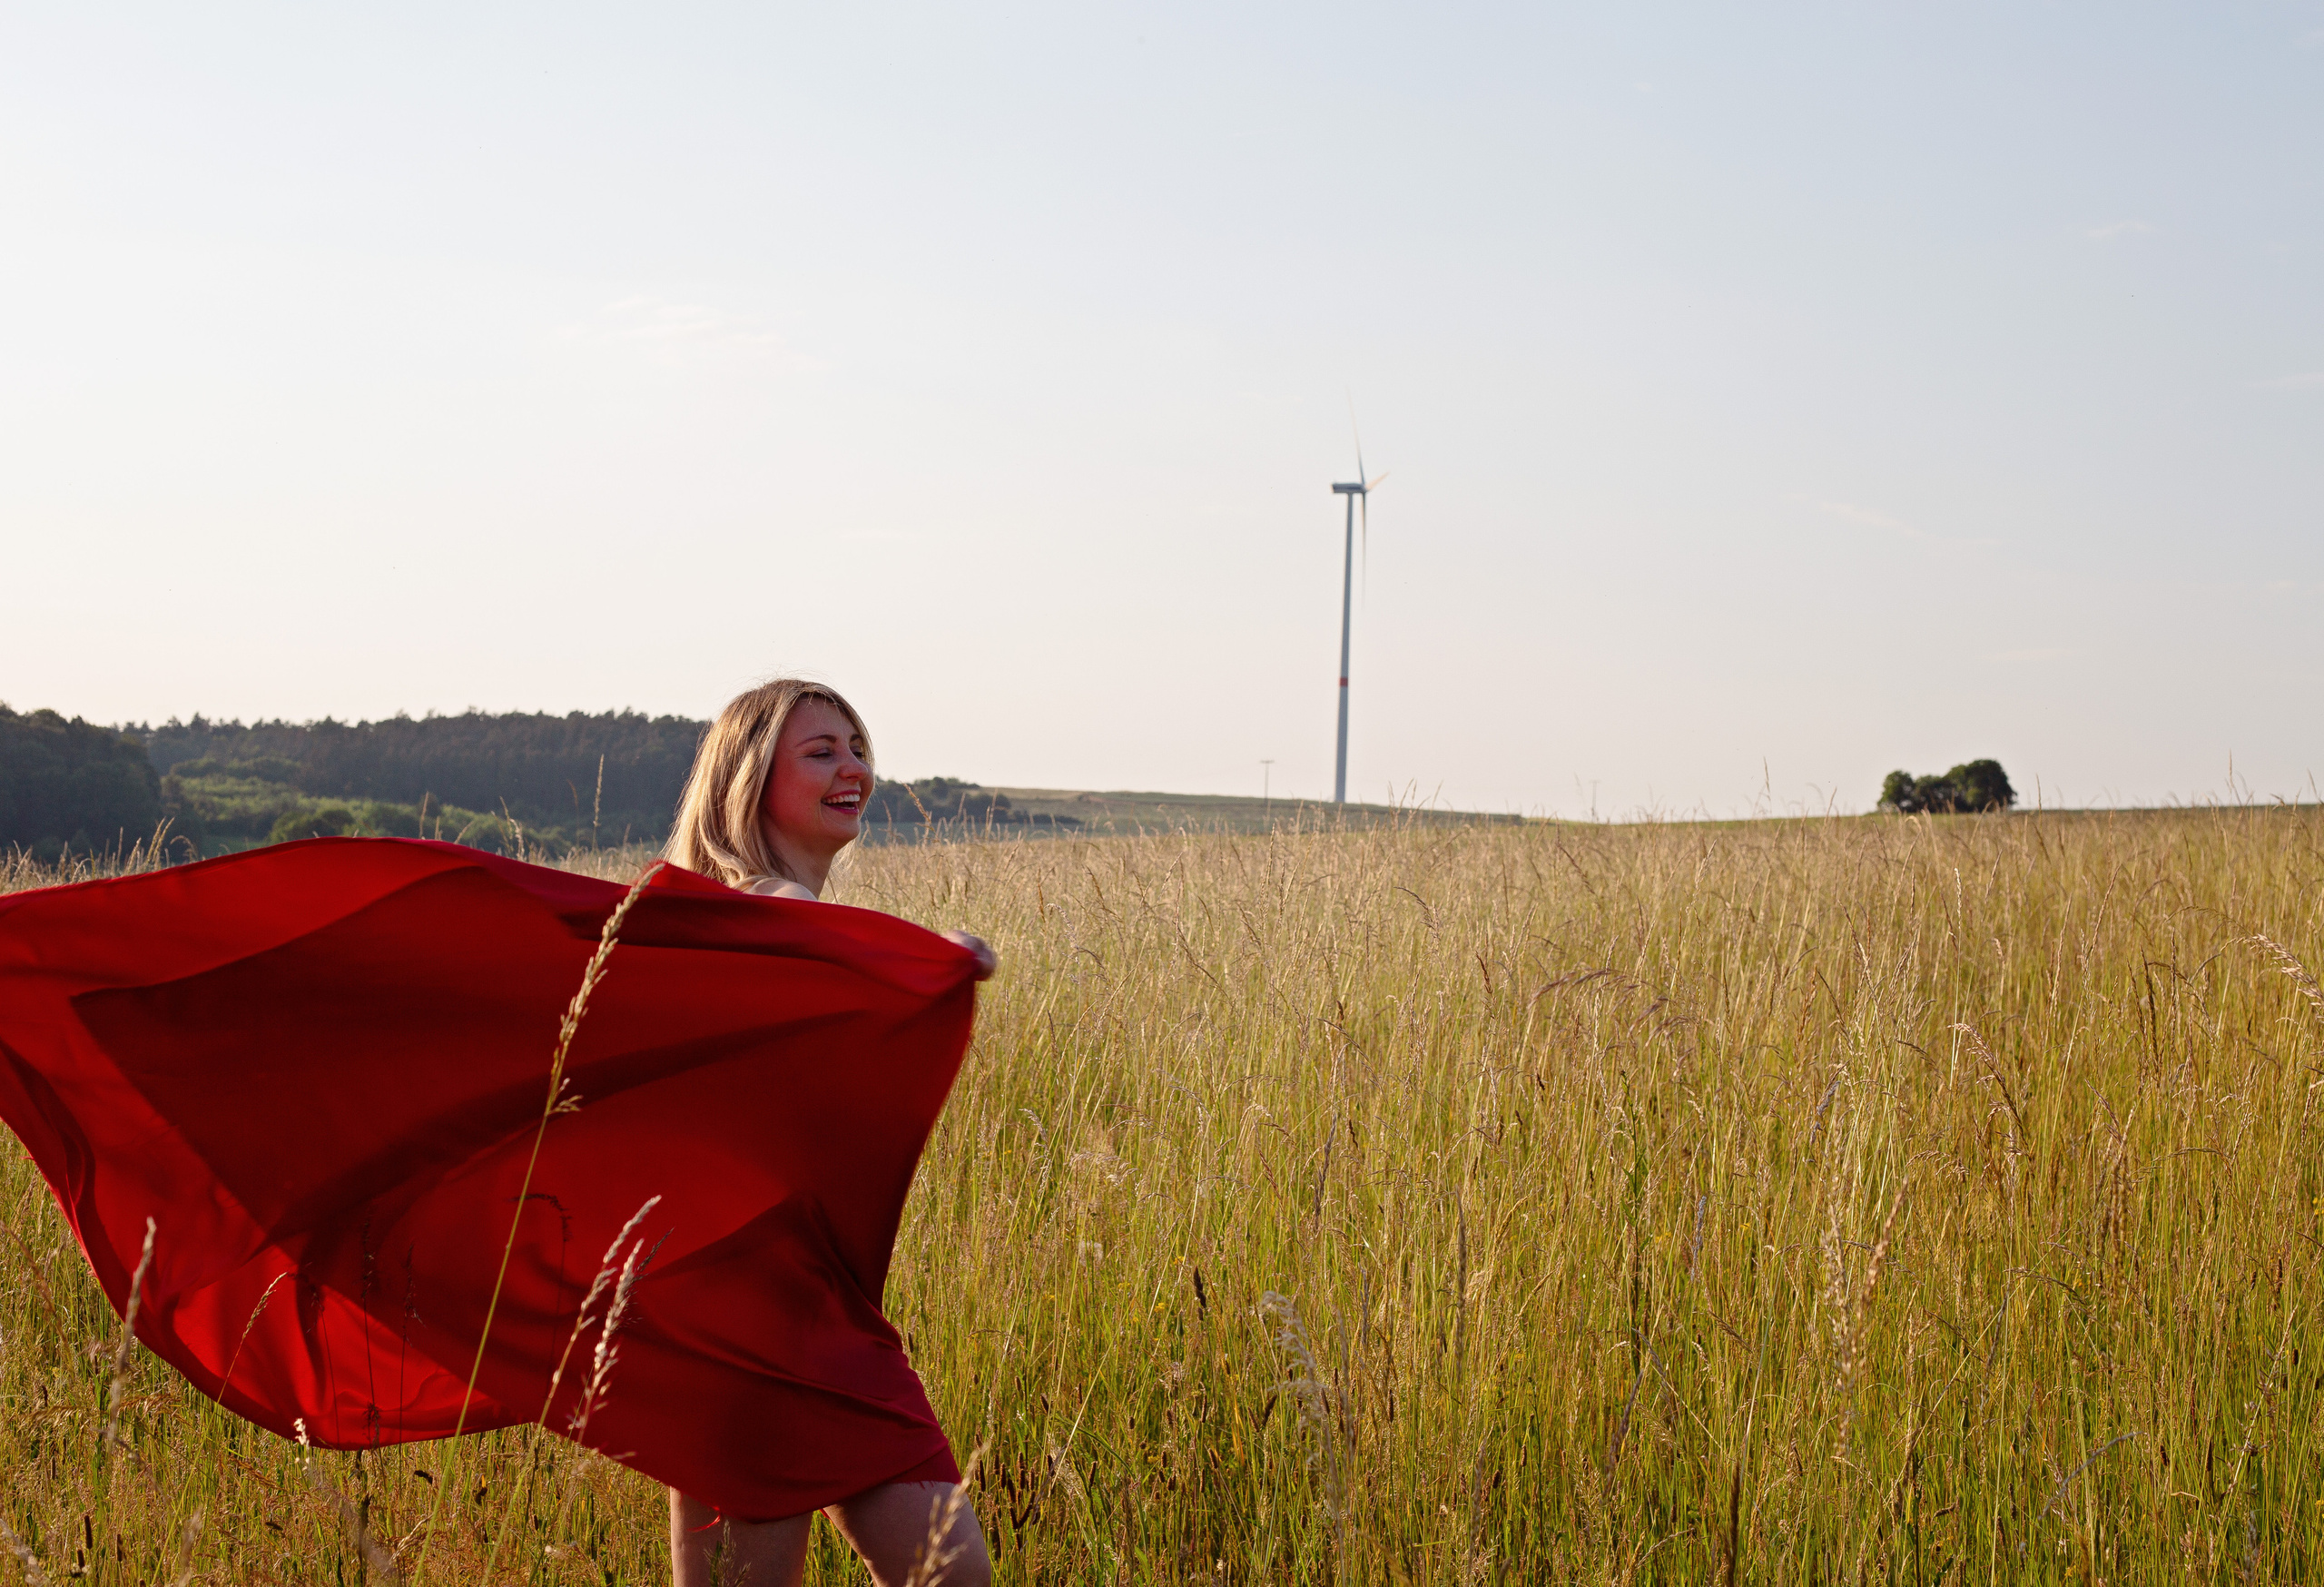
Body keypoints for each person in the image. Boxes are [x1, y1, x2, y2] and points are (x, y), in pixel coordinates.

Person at [661, 678, 995, 1587]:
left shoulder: (737, 913)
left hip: (811, 1304)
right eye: (821, 751)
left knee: (947, 1570)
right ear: (748, 778)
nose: (855, 766)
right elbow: (819, 939)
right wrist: (940, 957)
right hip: (747, 1312)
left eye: (857, 745)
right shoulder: (761, 906)